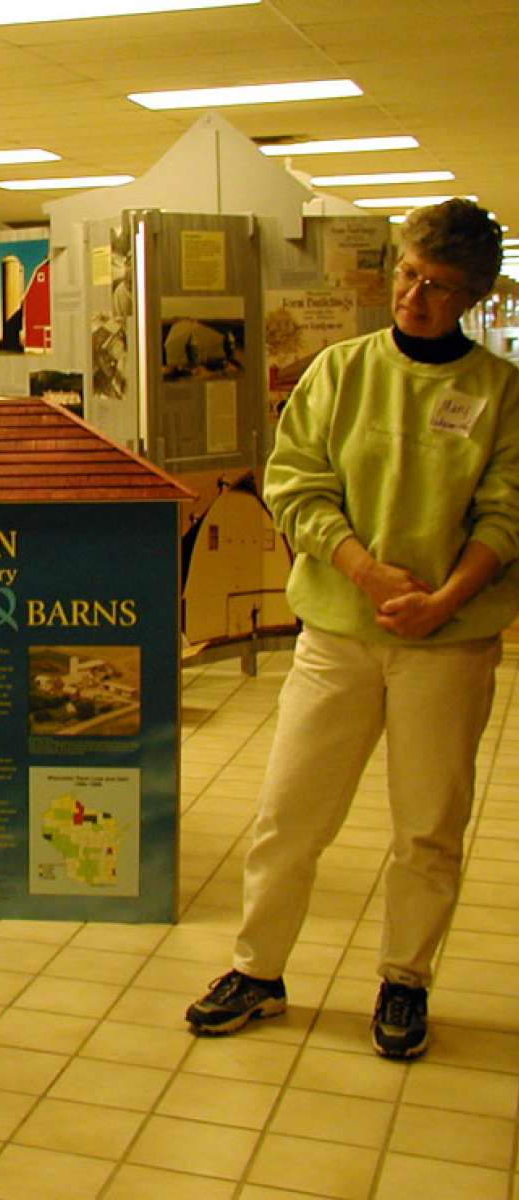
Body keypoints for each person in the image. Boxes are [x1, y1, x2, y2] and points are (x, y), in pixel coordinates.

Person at [186, 199, 519, 1060]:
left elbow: (507, 512)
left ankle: (404, 981)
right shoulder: (340, 370)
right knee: (290, 813)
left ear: (475, 297)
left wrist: (447, 598)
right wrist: (363, 569)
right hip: (338, 629)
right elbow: (296, 484)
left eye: (440, 288)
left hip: (447, 645)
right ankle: (258, 971)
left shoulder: (499, 392)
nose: (415, 298)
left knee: (426, 826)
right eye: (408, 275)